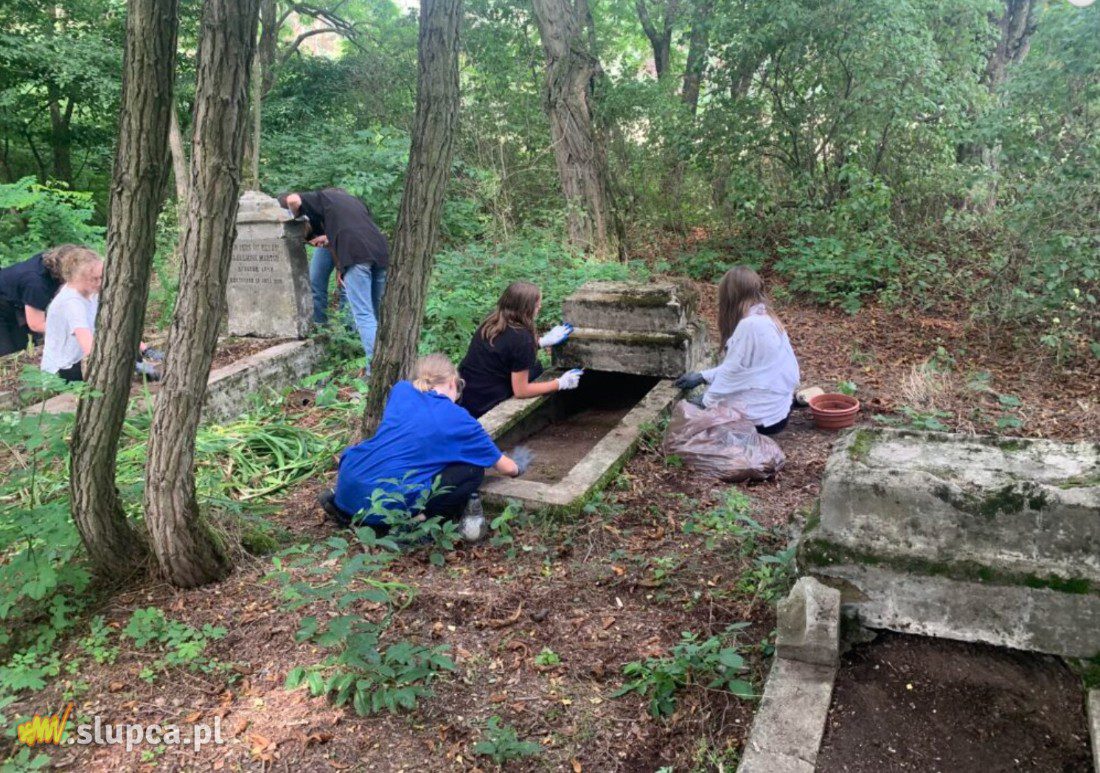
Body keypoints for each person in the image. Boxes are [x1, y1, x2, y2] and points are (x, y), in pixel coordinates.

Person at [319, 353, 532, 537]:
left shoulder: (401, 391)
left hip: (349, 484)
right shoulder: (460, 419)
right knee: (472, 471)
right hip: (385, 501)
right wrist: (519, 464)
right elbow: (507, 468)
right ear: (452, 383)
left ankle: (346, 511)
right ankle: (416, 524)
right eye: (458, 387)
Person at [674, 266, 799, 435]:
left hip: (762, 422)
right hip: (780, 414)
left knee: (692, 414)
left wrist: (705, 401)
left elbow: (731, 373)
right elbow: (742, 369)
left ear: (730, 297)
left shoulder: (749, 325)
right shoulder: (767, 317)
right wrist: (703, 377)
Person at [278, 189, 388, 370]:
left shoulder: (316, 197)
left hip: (356, 254)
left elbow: (293, 199)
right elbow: (348, 230)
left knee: (364, 315)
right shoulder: (349, 202)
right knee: (378, 314)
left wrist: (294, 213)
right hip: (380, 251)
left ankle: (375, 370)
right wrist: (339, 264)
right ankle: (389, 365)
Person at [457, 281, 582, 419]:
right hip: (486, 403)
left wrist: (541, 342)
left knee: (533, 367)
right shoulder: (522, 338)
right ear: (526, 309)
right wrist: (559, 383)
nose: (540, 306)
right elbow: (521, 391)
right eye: (537, 304)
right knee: (536, 370)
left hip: (466, 392)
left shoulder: (493, 319)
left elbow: (506, 348)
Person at [39, 247, 162, 383]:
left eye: (101, 277)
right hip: (62, 369)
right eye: (94, 279)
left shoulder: (91, 292)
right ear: (76, 278)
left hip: (80, 359)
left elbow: (114, 326)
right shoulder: (72, 303)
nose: (100, 283)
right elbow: (90, 349)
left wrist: (146, 350)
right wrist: (133, 366)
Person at [0, 244, 71, 356]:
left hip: (14, 299)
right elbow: (36, 324)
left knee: (27, 344)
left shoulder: (46, 261)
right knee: (7, 354)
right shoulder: (36, 284)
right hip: (5, 303)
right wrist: (72, 328)